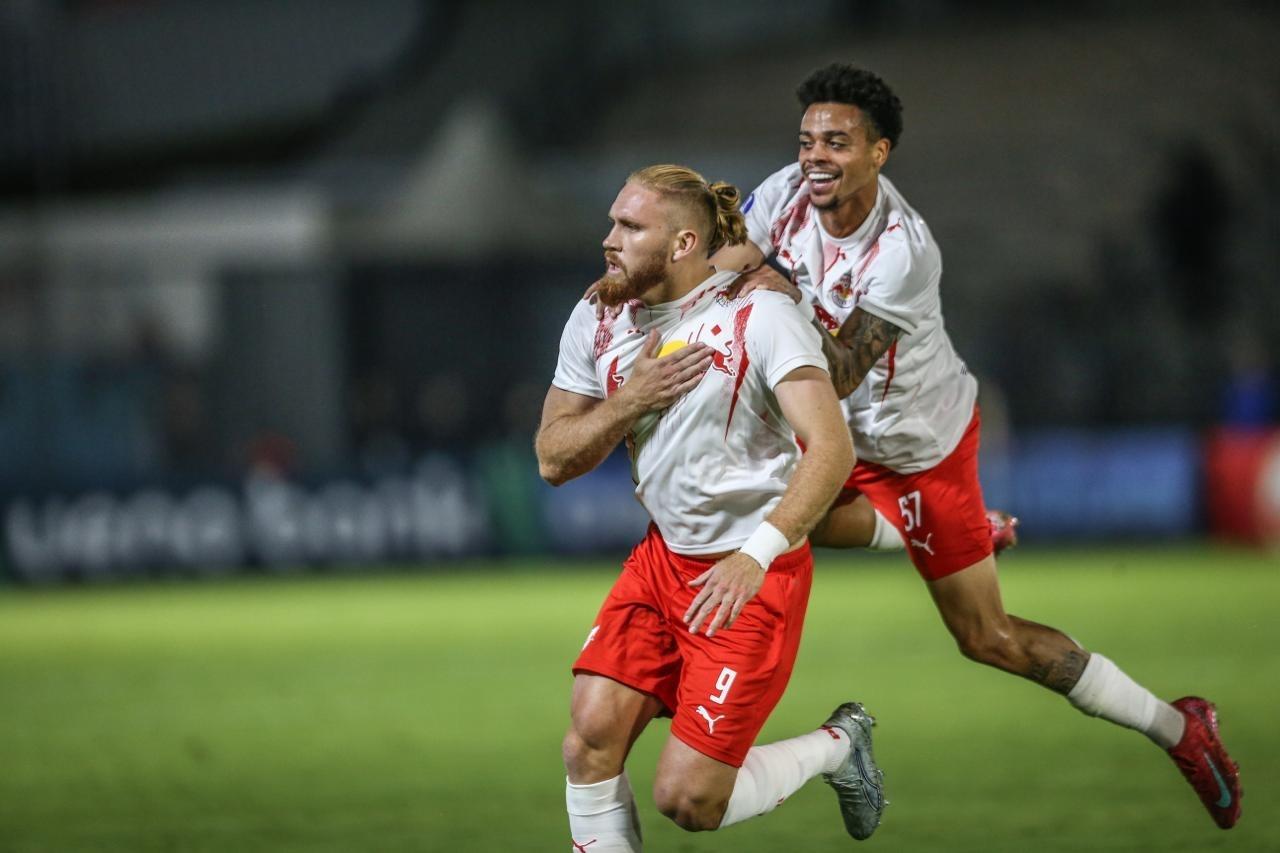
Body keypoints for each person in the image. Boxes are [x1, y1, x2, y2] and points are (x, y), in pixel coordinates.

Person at [712, 63, 1243, 830]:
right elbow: (728, 263)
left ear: (879, 152)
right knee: (753, 506)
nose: (815, 156)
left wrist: (773, 293)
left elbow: (839, 369)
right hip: (834, 430)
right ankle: (945, 535)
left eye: (836, 142)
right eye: (807, 140)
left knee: (986, 637)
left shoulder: (901, 249)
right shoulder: (785, 193)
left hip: (916, 446)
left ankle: (1178, 725)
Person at [536, 164, 884, 850]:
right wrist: (631, 400)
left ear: (684, 244)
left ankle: (840, 745)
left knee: (689, 799)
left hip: (749, 573)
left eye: (630, 227)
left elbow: (832, 449)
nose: (609, 239)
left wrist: (757, 555)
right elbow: (553, 458)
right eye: (612, 222)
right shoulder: (598, 316)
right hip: (663, 560)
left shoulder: (760, 316)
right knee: (589, 740)